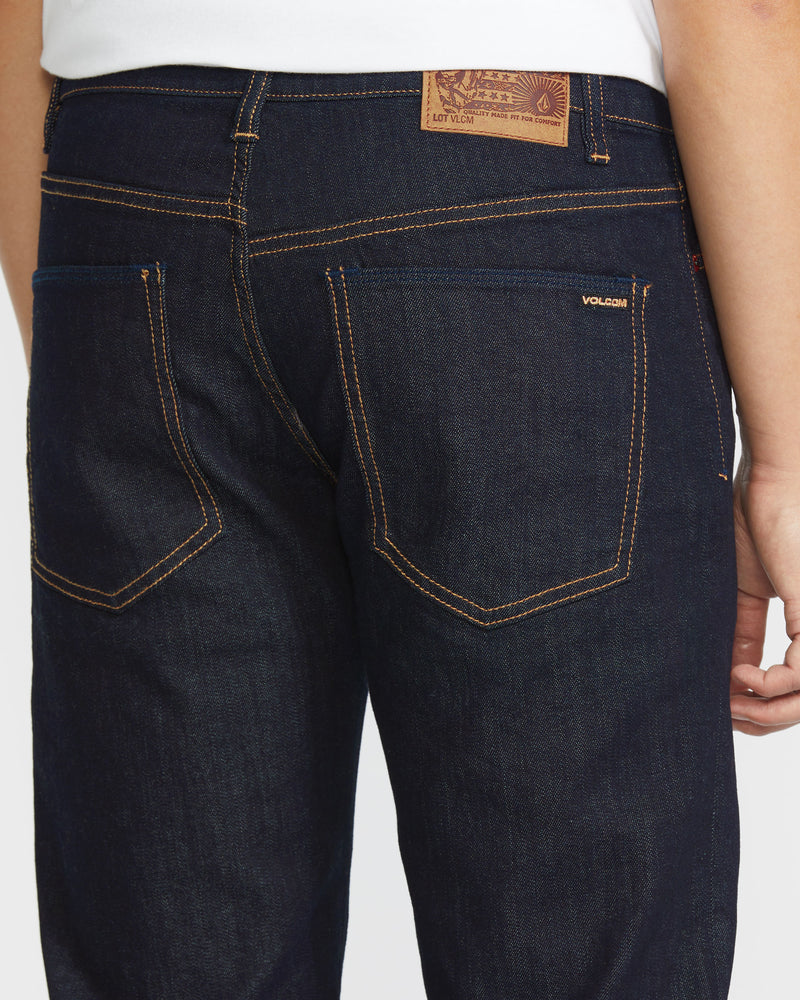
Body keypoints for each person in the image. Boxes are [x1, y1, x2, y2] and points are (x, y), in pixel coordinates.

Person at [1, 0, 798, 997]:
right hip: (512, 182)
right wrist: (785, 459)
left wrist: (83, 339)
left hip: (124, 190)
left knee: (170, 950)